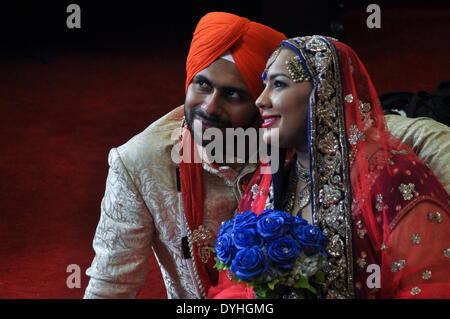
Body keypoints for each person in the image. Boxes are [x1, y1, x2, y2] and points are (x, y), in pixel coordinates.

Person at [207, 35, 450, 299]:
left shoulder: (391, 180)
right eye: (264, 85)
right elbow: (237, 288)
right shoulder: (268, 179)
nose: (260, 100)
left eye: (278, 85)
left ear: (323, 92)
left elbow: (426, 287)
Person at [83, 12, 286, 299]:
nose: (210, 107)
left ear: (261, 104)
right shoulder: (139, 161)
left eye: (233, 94)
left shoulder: (290, 152)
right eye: (202, 85)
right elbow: (111, 286)